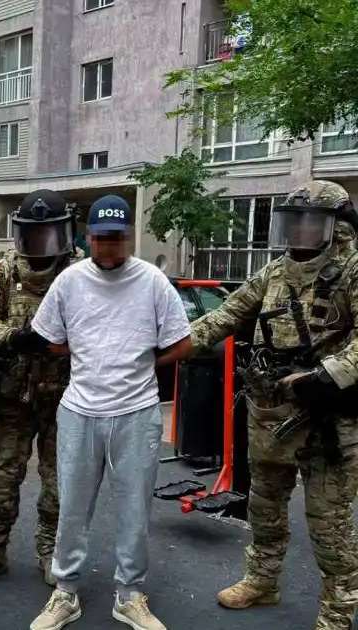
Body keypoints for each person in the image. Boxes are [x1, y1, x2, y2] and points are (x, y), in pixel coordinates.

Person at [189, 180, 358, 630]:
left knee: (329, 525)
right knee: (263, 506)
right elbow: (226, 314)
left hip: (327, 420)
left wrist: (326, 376)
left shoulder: (354, 268)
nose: (298, 232)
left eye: (310, 223)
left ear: (338, 228)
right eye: (293, 222)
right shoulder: (275, 271)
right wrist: (173, 343)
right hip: (271, 414)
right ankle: (262, 581)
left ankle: (337, 612)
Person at [26, 194, 192, 630]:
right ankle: (65, 593)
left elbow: (182, 342)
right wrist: (91, 356)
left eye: (118, 238)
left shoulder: (153, 281)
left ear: (129, 238)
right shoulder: (69, 282)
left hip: (136, 411)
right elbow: (50, 337)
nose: (109, 247)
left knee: (135, 508)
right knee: (73, 507)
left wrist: (139, 362)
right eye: (101, 239)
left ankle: (130, 594)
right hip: (80, 410)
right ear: (88, 238)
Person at [0, 189, 74, 588]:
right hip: (14, 395)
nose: (41, 243)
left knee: (57, 482)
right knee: (3, 478)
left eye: (49, 233)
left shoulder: (79, 271)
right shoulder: (7, 268)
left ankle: (50, 552)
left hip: (64, 397)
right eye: (33, 233)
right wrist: (13, 338)